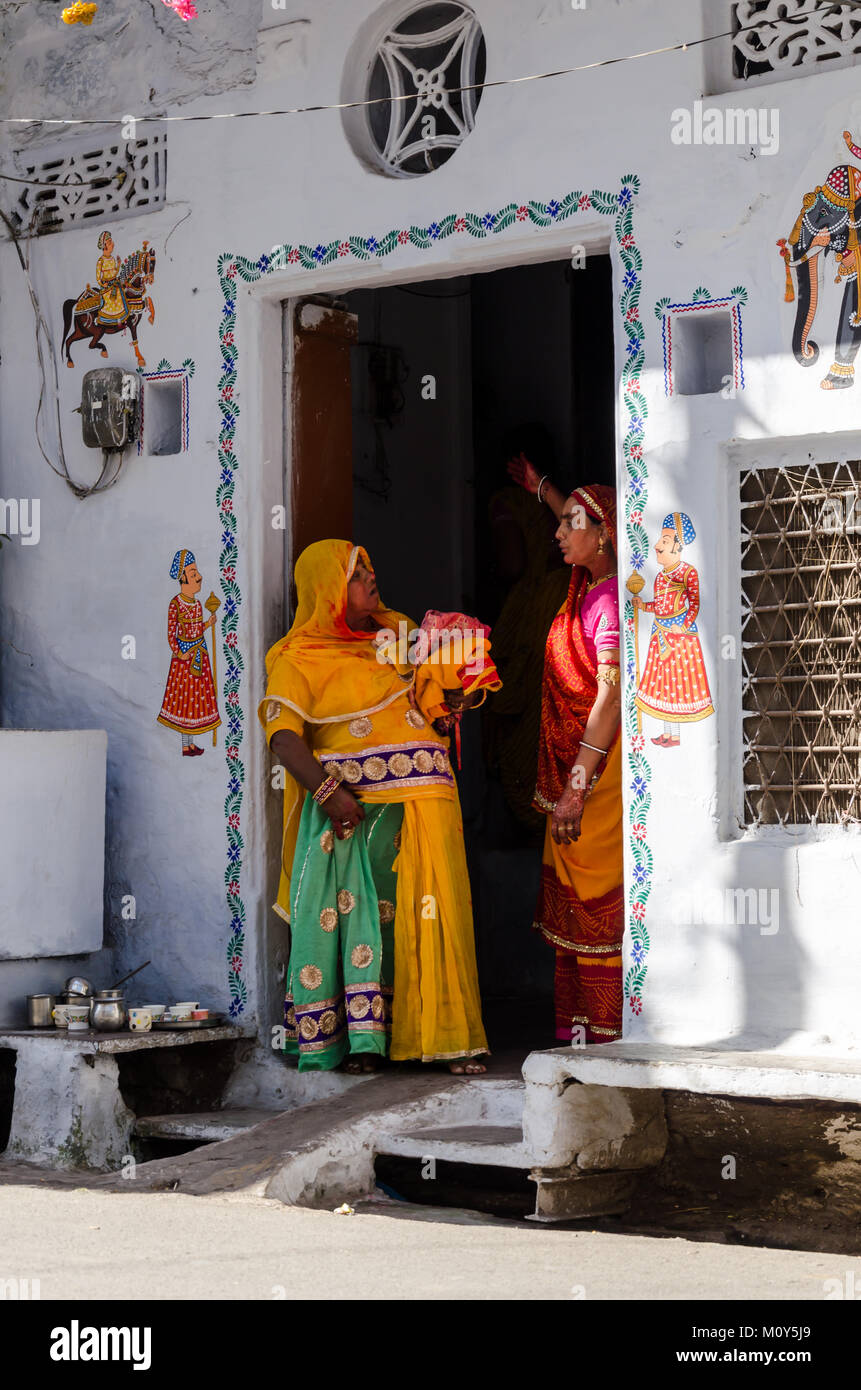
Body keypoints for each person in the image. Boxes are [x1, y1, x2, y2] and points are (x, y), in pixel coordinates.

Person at [259, 539, 490, 1075]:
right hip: (359, 810)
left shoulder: (400, 636)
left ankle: (449, 1039)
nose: (371, 578)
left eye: (369, 567)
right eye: (356, 573)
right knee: (367, 923)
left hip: (426, 800)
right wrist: (328, 793)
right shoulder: (296, 658)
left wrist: (450, 698)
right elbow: (285, 739)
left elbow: (430, 701)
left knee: (431, 917)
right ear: (327, 590)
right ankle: (365, 1042)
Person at [508, 459, 624, 1043]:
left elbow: (609, 699)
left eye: (569, 524)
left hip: (596, 779)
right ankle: (581, 1031)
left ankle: (603, 1035)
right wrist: (544, 491)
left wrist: (575, 790)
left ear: (603, 533)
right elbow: (582, 517)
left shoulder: (605, 604)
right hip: (581, 776)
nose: (558, 532)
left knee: (595, 904)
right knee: (574, 905)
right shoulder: (590, 582)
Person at [633, 512, 714, 747]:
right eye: (660, 540)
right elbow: (659, 606)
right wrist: (643, 606)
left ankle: (676, 736)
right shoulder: (660, 576)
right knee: (663, 687)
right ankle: (668, 734)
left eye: (665, 542)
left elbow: (695, 603)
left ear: (678, 546)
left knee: (677, 686)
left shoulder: (688, 572)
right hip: (660, 633)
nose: (657, 546)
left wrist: (684, 626)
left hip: (679, 638)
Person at [157, 549, 221, 755]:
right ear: (183, 578)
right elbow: (171, 633)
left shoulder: (198, 604)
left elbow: (196, 629)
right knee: (185, 702)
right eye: (193, 574)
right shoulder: (175, 604)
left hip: (200, 653)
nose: (199, 577)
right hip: (185, 658)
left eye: (197, 573)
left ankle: (190, 743)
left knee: (197, 702)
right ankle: (185, 745)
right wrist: (178, 652)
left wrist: (208, 624)